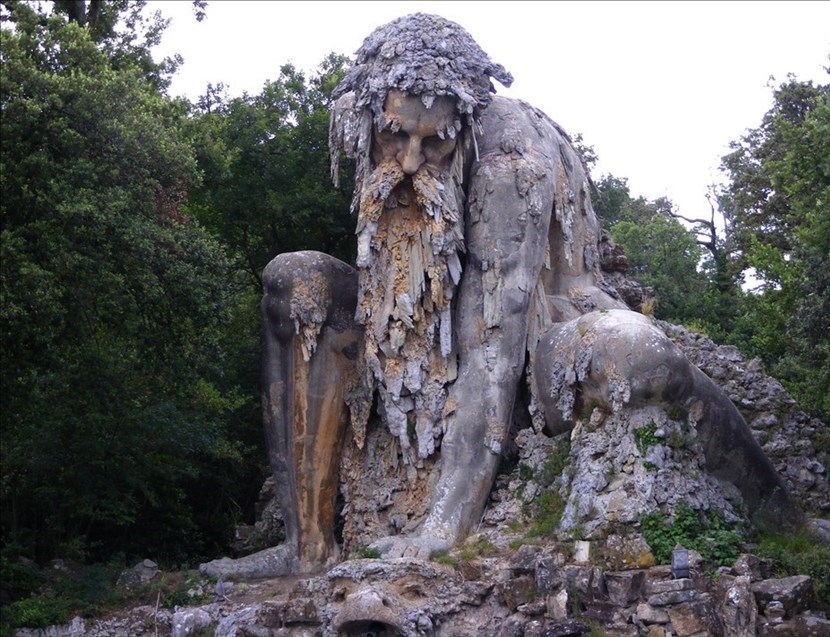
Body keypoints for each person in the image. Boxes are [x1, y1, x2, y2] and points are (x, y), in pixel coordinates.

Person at [255, 13, 799, 576]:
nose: (411, 162)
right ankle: (306, 547)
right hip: (409, 347)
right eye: (394, 136)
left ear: (463, 124)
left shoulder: (507, 155)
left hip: (543, 340)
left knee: (638, 356)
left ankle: (784, 519)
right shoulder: (387, 165)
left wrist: (446, 526)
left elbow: (494, 338)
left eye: (433, 142)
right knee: (296, 279)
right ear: (365, 121)